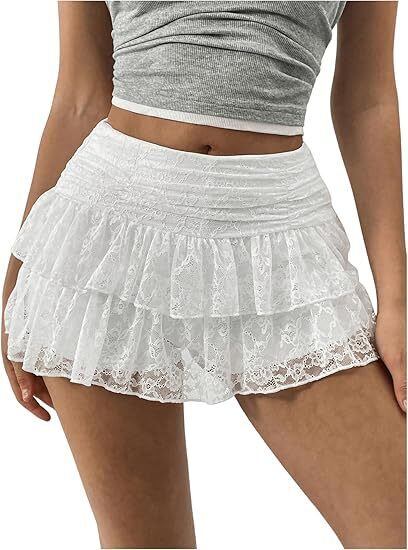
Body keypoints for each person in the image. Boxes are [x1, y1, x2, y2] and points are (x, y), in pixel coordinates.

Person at [1, 2, 406, 548]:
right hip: (106, 239)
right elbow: (80, 94)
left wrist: (396, 302)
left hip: (281, 240)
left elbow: (367, 100)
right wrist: (19, 280)